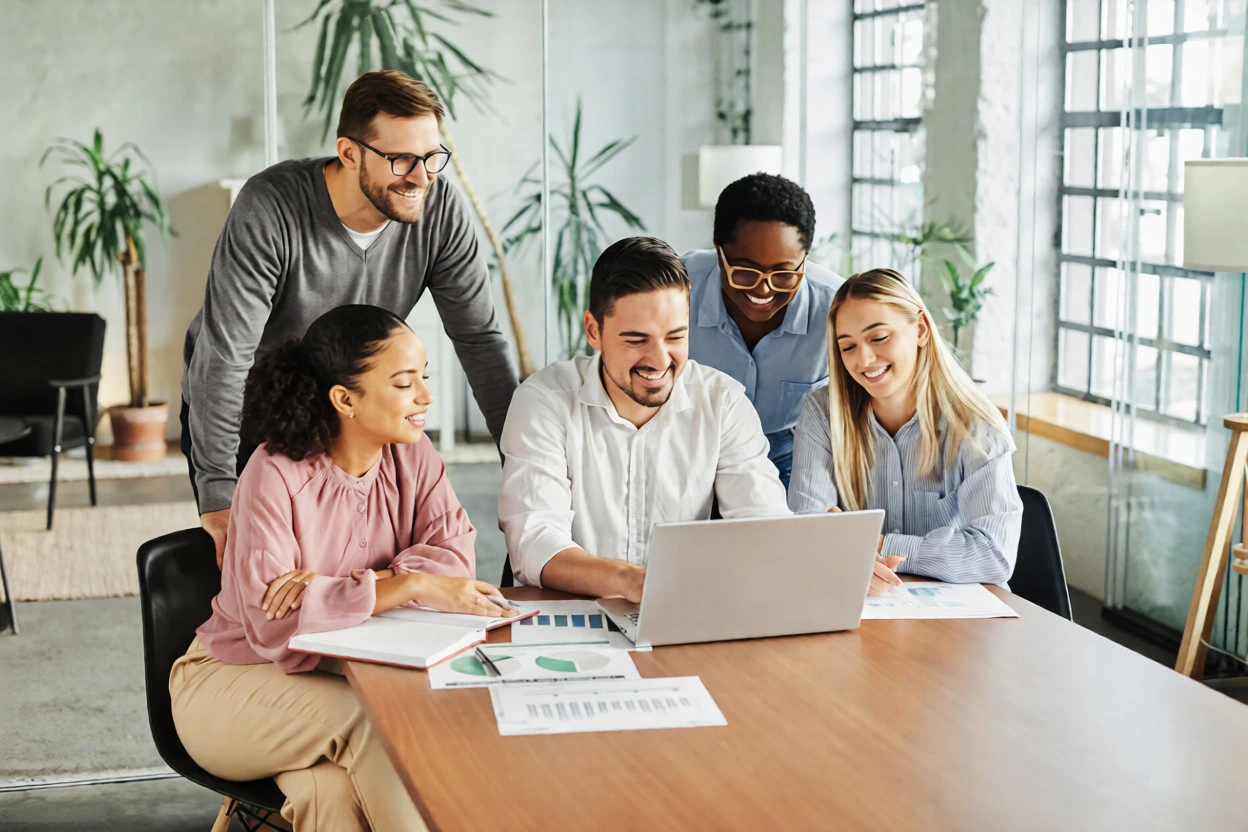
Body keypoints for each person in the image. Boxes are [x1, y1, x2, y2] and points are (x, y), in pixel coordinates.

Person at [170, 305, 512, 832]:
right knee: (377, 720)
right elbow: (275, 624)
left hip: (332, 684)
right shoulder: (273, 473)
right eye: (404, 383)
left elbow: (453, 552)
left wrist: (359, 588)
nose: (426, 396)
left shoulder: (413, 454)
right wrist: (410, 584)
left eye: (424, 376)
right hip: (230, 683)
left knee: (328, 794)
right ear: (345, 398)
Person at [182, 70, 517, 567]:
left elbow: (480, 340)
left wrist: (522, 461)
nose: (421, 177)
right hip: (257, 404)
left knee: (347, 565)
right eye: (402, 159)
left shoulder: (439, 210)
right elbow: (226, 357)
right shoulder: (271, 207)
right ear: (349, 152)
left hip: (351, 406)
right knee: (264, 579)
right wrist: (218, 494)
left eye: (431, 158)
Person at [499, 236, 790, 601]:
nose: (659, 359)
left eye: (675, 337)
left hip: (681, 613)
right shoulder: (543, 401)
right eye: (636, 340)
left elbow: (763, 525)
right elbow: (534, 541)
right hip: (571, 618)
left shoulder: (723, 403)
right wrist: (634, 582)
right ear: (594, 331)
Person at [788, 269, 1022, 595]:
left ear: (921, 329)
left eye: (879, 337)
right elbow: (808, 531)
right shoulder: (823, 413)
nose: (864, 359)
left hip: (962, 620)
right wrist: (836, 550)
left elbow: (992, 555)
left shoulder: (975, 424)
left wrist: (875, 544)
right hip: (863, 606)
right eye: (848, 347)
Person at [683, 173, 843, 488]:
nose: (764, 289)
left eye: (784, 274)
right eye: (745, 272)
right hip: (693, 445)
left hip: (789, 453)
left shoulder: (838, 308)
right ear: (719, 252)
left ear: (804, 260)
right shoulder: (674, 289)